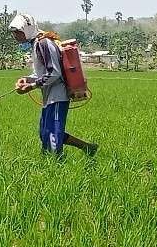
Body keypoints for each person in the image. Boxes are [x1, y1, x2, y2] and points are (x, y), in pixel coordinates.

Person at [9, 13, 98, 157]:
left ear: (27, 29)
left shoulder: (44, 43)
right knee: (45, 133)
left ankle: (56, 165)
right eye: (14, 33)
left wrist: (31, 87)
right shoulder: (37, 43)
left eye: (18, 32)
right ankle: (87, 147)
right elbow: (40, 73)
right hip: (49, 96)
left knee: (52, 136)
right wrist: (26, 79)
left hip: (58, 96)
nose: (16, 37)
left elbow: (54, 73)